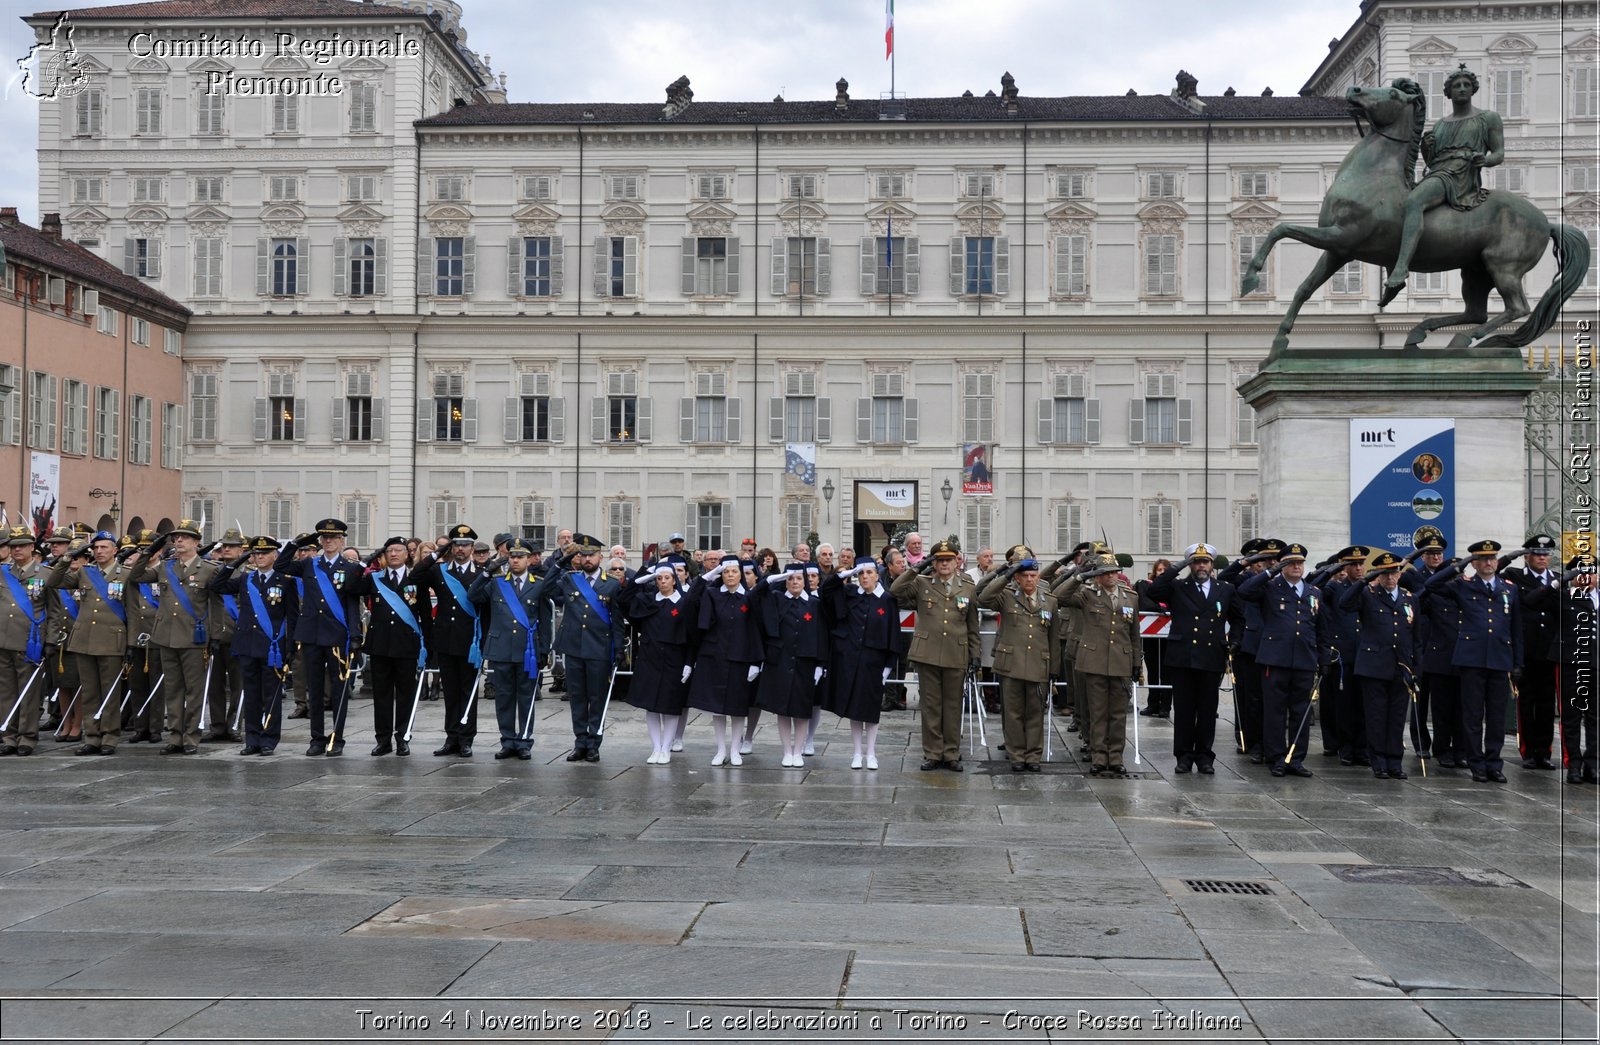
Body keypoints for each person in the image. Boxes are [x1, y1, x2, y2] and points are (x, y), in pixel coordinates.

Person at [1383, 64, 1504, 305]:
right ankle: (1390, 267)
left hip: (1460, 174)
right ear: (1448, 93)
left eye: (1466, 85)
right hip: (1438, 172)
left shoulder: (1487, 118)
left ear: (1473, 89)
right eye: (1456, 86)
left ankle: (1400, 270)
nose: (1461, 89)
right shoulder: (1440, 125)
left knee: (1415, 201)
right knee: (1393, 211)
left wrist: (1485, 159)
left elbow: (1499, 153)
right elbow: (1431, 161)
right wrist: (1427, 148)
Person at [1422, 539, 1523, 783]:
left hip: (1500, 659)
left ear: (1497, 562)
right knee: (1473, 715)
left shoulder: (1509, 588)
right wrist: (1458, 567)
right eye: (1482, 559)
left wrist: (1518, 662)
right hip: (1472, 660)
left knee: (1497, 717)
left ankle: (1494, 764)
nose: (1488, 563)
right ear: (1475, 563)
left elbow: (1516, 628)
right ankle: (1476, 763)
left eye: (1492, 559)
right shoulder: (1463, 586)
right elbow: (1431, 584)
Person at [127, 520, 222, 755]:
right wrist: (148, 552)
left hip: (194, 638)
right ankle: (175, 736)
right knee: (173, 689)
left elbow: (217, 606)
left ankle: (191, 736)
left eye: (185, 537)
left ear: (196, 543)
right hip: (165, 636)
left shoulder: (209, 569)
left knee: (194, 691)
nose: (179, 541)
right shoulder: (165, 567)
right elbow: (136, 577)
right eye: (177, 537)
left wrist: (215, 636)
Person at [1236, 542, 1329, 779]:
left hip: (1304, 660)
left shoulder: (1314, 592)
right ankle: (1276, 757)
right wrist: (1271, 571)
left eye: (1299, 562)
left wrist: (1323, 658)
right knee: (1275, 712)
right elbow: (1244, 591)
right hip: (1275, 660)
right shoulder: (1270, 587)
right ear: (1282, 565)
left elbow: (1321, 629)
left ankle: (1295, 759)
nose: (1296, 566)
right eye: (1291, 562)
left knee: (1301, 713)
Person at [273, 519, 365, 756]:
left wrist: (356, 634)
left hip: (337, 636)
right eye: (324, 538)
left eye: (333, 538)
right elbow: (281, 566)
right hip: (311, 634)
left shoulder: (352, 568)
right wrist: (294, 544)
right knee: (313, 689)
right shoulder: (308, 565)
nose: (328, 541)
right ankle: (316, 738)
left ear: (342, 540)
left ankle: (338, 737)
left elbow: (353, 604)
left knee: (338, 690)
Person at [533, 531, 625, 763]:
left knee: (597, 697)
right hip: (573, 647)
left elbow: (617, 619)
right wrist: (562, 561)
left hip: (599, 648)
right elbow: (545, 590)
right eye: (583, 555)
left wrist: (619, 650)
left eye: (591, 555)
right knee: (577, 698)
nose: (587, 559)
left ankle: (593, 743)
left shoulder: (611, 584)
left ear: (600, 557)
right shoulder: (569, 579)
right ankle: (580, 742)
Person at [891, 539, 980, 772]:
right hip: (928, 653)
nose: (944, 564)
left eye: (948, 560)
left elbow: (972, 625)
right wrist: (917, 568)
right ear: (933, 562)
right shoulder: (922, 583)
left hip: (956, 653)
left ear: (956, 562)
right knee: (931, 706)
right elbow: (896, 590)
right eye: (939, 560)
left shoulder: (968, 586)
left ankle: (951, 752)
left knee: (952, 706)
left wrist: (975, 654)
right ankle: (932, 752)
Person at [1148, 544, 1235, 775]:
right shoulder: (1177, 586)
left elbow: (1239, 617)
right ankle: (1184, 755)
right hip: (1183, 656)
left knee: (1207, 709)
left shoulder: (1224, 589)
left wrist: (1233, 642)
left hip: (1210, 656)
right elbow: (1153, 591)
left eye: (1205, 562)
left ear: (1212, 565)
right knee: (1185, 709)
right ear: (1190, 565)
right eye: (1196, 562)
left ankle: (1205, 756)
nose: (1201, 566)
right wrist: (1175, 568)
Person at [45, 531, 133, 755]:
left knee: (109, 693)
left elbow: (132, 611)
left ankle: (109, 737)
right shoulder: (85, 573)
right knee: (90, 691)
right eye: (96, 548)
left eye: (104, 547)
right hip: (84, 639)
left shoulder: (126, 575)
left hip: (112, 640)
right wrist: (67, 557)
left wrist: (130, 643)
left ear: (115, 550)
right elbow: (54, 581)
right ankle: (92, 736)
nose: (100, 551)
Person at [211, 535, 298, 755]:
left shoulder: (285, 581)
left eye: (264, 553)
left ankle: (269, 739)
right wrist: (236, 563)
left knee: (271, 695)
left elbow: (292, 616)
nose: (259, 557)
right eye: (256, 553)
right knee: (250, 695)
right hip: (247, 645)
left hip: (272, 647)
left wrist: (291, 646)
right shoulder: (245, 579)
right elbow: (218, 586)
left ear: (275, 555)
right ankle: (252, 739)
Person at [1056, 553, 1139, 773]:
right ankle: (1099, 756)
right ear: (1098, 576)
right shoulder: (1087, 595)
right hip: (1094, 661)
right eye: (1105, 573)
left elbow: (1134, 634)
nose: (1111, 576)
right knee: (1097, 711)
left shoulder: (1130, 597)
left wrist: (1136, 662)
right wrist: (1079, 576)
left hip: (1121, 661)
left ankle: (1116, 757)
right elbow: (1059, 596)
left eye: (1114, 572)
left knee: (1118, 714)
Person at [979, 557, 1063, 772]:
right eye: (1024, 576)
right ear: (1017, 578)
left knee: (1035, 712)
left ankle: (1033, 755)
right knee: (1013, 712)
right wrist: (1006, 573)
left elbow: (1053, 639)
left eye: (1033, 576)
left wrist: (1054, 669)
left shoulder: (1049, 601)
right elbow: (984, 596)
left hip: (1038, 664)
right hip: (1011, 664)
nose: (1029, 580)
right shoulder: (1006, 596)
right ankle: (1016, 754)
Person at [1341, 551, 1420, 780]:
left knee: (1396, 717)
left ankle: (1395, 762)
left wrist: (1416, 668)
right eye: (1385, 573)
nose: (1391, 578)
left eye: (1394, 572)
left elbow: (1416, 637)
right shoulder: (1368, 594)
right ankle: (1379, 762)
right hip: (1374, 665)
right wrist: (1365, 580)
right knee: (1376, 717)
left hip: (1401, 666)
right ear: (1378, 575)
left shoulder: (1409, 597)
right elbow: (1344, 603)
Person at [412, 524, 485, 758]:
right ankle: (451, 737)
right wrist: (435, 554)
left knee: (468, 691)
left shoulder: (481, 573)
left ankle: (466, 738)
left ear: (472, 547)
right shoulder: (439, 570)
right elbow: (414, 577)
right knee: (450, 692)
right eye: (456, 545)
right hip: (445, 639)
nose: (460, 549)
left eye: (465, 545)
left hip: (469, 641)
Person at [351, 537, 428, 756]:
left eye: (398, 550)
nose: (393, 554)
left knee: (406, 693)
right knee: (382, 695)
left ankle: (403, 737)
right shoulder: (375, 579)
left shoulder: (415, 580)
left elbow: (423, 611)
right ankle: (383, 739)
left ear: (407, 554)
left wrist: (428, 643)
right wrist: (365, 562)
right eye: (389, 551)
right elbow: (352, 586)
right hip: (380, 645)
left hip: (406, 644)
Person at [470, 540, 545, 760]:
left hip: (527, 650)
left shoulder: (538, 584)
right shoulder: (497, 582)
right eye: (512, 556)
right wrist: (486, 572)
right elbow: (473, 596)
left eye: (520, 557)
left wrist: (544, 650)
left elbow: (544, 616)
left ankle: (524, 741)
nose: (515, 560)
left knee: (526, 697)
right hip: (501, 648)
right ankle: (507, 740)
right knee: (504, 697)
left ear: (529, 560)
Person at [821, 557, 897, 769]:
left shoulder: (887, 600)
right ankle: (856, 753)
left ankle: (871, 753)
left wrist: (888, 666)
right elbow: (825, 592)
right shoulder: (849, 594)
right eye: (861, 574)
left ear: (877, 575)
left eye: (869, 573)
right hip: (850, 659)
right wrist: (843, 575)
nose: (865, 577)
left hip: (874, 663)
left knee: (870, 709)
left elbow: (893, 634)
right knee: (854, 709)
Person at [688, 554, 763, 765]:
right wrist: (705, 578)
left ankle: (736, 750)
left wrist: (757, 662)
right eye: (726, 572)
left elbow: (757, 630)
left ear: (741, 574)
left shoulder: (749, 597)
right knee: (717, 708)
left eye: (734, 571)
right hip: (715, 657)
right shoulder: (712, 594)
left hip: (741, 659)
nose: (730, 575)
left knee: (738, 708)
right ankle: (721, 749)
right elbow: (691, 602)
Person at [1528, 554, 1596, 783]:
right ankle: (1573, 764)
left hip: (1596, 663)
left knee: (1596, 716)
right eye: (1581, 573)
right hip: (1570, 663)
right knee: (1571, 716)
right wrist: (1559, 581)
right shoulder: (1563, 597)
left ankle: (1593, 764)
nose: (1586, 577)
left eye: (1591, 572)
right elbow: (1532, 600)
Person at [1499, 534, 1561, 770]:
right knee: (1525, 703)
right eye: (1537, 554)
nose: (1542, 558)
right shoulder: (1515, 576)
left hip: (1549, 651)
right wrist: (1507, 558)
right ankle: (1527, 752)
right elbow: (1492, 574)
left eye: (1546, 554)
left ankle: (1544, 752)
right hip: (1525, 651)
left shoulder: (1557, 579)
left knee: (1546, 704)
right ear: (1527, 557)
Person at [621, 562, 693, 765]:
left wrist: (689, 662)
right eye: (659, 578)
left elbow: (692, 636)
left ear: (675, 580)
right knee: (651, 706)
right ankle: (656, 747)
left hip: (674, 659)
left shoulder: (684, 602)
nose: (663, 582)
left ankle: (666, 747)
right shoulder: (648, 600)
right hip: (649, 658)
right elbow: (624, 600)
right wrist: (642, 576)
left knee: (670, 707)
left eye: (667, 578)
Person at [1220, 538, 1284, 762]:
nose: (1267, 563)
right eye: (1263, 559)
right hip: (1249, 646)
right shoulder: (1245, 580)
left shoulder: (1282, 580)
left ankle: (1270, 743)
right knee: (1249, 699)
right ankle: (1250, 740)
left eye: (1272, 559)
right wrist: (1245, 563)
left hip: (1276, 647)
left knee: (1272, 700)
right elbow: (1223, 578)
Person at [1405, 530, 1464, 768]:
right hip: (1422, 642)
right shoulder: (1413, 576)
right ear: (1422, 556)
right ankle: (1420, 743)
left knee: (1445, 701)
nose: (1435, 557)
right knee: (1420, 698)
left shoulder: (1449, 577)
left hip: (1443, 646)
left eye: (1438, 553)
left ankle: (1452, 747)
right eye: (1430, 553)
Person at [1319, 546, 1370, 766]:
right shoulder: (1334, 587)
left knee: (1363, 705)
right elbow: (1314, 587)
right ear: (1344, 566)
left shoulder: (1369, 588)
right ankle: (1345, 747)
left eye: (1361, 564)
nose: (1358, 568)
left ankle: (1362, 748)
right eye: (1352, 564)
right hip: (1343, 654)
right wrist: (1333, 569)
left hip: (1365, 654)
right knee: (1344, 705)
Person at [0, 526, 48, 757]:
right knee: (6, 691)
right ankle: (9, 735)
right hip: (3, 639)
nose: (16, 550)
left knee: (28, 692)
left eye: (21, 545)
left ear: (32, 547)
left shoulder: (45, 574)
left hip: (30, 641)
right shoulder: (3, 572)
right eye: (13, 546)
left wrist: (50, 640)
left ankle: (27, 737)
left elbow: (55, 611)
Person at [1133, 559, 1170, 717]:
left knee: (1167, 672)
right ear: (1155, 571)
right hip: (1151, 637)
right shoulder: (1146, 585)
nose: (1161, 572)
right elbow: (1145, 604)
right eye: (1159, 569)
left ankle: (1165, 707)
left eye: (1164, 569)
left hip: (1169, 637)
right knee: (1153, 670)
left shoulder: (1175, 587)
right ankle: (1152, 704)